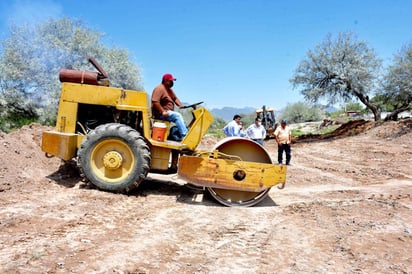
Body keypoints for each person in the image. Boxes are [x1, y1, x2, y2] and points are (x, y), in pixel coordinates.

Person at [151, 73, 187, 140]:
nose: (172, 82)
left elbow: (175, 98)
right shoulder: (159, 88)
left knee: (182, 121)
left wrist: (180, 105)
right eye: (170, 81)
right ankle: (185, 136)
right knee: (177, 116)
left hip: (168, 112)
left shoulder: (169, 90)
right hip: (160, 113)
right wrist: (163, 111)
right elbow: (155, 102)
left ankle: (182, 134)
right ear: (165, 81)